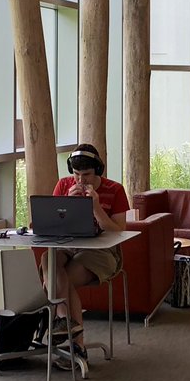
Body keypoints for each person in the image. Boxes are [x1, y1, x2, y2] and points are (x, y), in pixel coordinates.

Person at [49, 144, 129, 364]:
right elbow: (54, 225)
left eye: (86, 175)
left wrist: (95, 207)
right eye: (75, 175)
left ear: (98, 171)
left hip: (103, 250)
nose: (80, 181)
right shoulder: (64, 186)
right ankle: (68, 327)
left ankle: (75, 340)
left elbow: (118, 230)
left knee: (63, 280)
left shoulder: (115, 189)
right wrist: (68, 204)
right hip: (68, 245)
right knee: (49, 261)